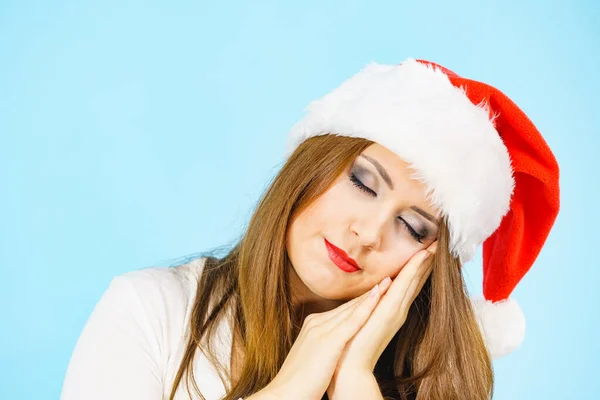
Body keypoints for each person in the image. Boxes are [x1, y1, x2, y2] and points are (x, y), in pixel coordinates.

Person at [59, 58, 560, 400]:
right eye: (363, 183)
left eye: (410, 226)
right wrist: (291, 386)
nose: (368, 232)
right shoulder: (149, 311)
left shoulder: (430, 379)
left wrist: (357, 379)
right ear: (310, 167)